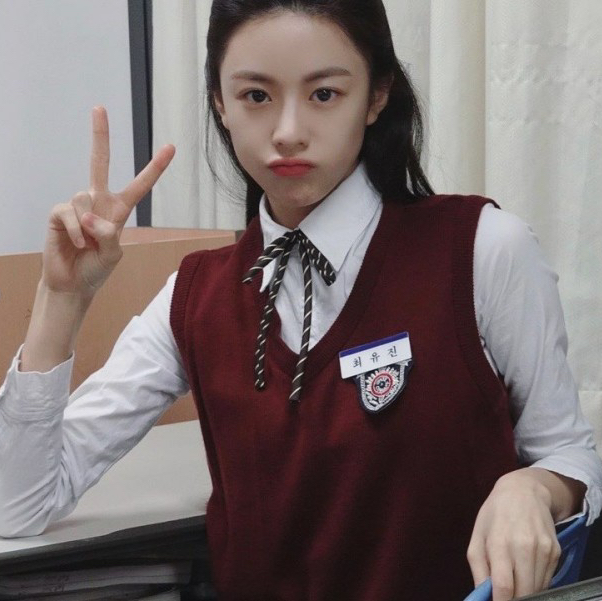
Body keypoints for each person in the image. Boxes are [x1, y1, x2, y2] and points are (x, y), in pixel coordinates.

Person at [0, 1, 601, 599]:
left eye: (324, 94)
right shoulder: (195, 296)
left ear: (377, 95)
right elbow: (18, 505)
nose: (287, 131)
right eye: (256, 96)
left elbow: (569, 454)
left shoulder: (481, 250)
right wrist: (62, 296)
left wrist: (533, 487)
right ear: (220, 104)